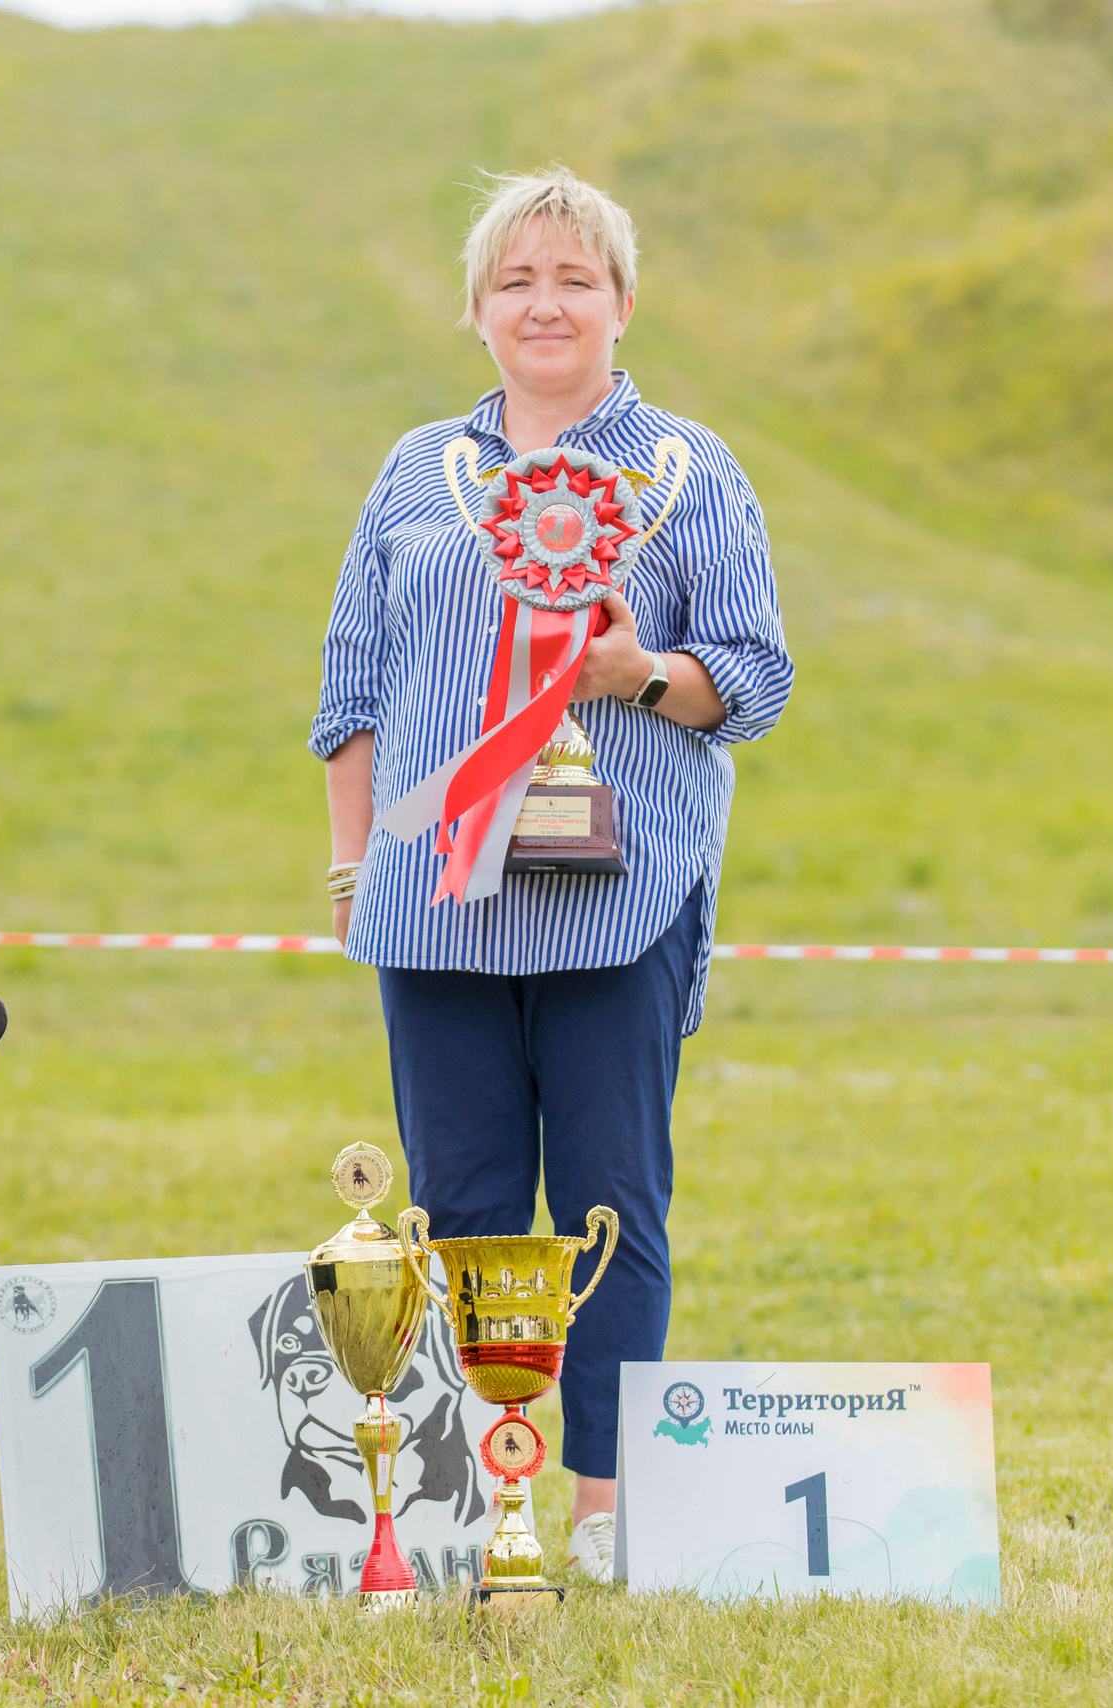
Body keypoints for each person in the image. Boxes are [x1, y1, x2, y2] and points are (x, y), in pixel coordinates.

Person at [311, 167, 792, 1585]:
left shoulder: (689, 471)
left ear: (623, 304)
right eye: (517, 279)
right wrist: (352, 866)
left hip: (618, 901)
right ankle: (473, 1502)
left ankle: (602, 1509)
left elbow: (754, 676)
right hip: (434, 906)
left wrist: (643, 674)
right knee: (457, 1209)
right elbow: (350, 682)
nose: (546, 302)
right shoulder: (416, 472)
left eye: (575, 277)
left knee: (608, 1208)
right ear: (475, 309)